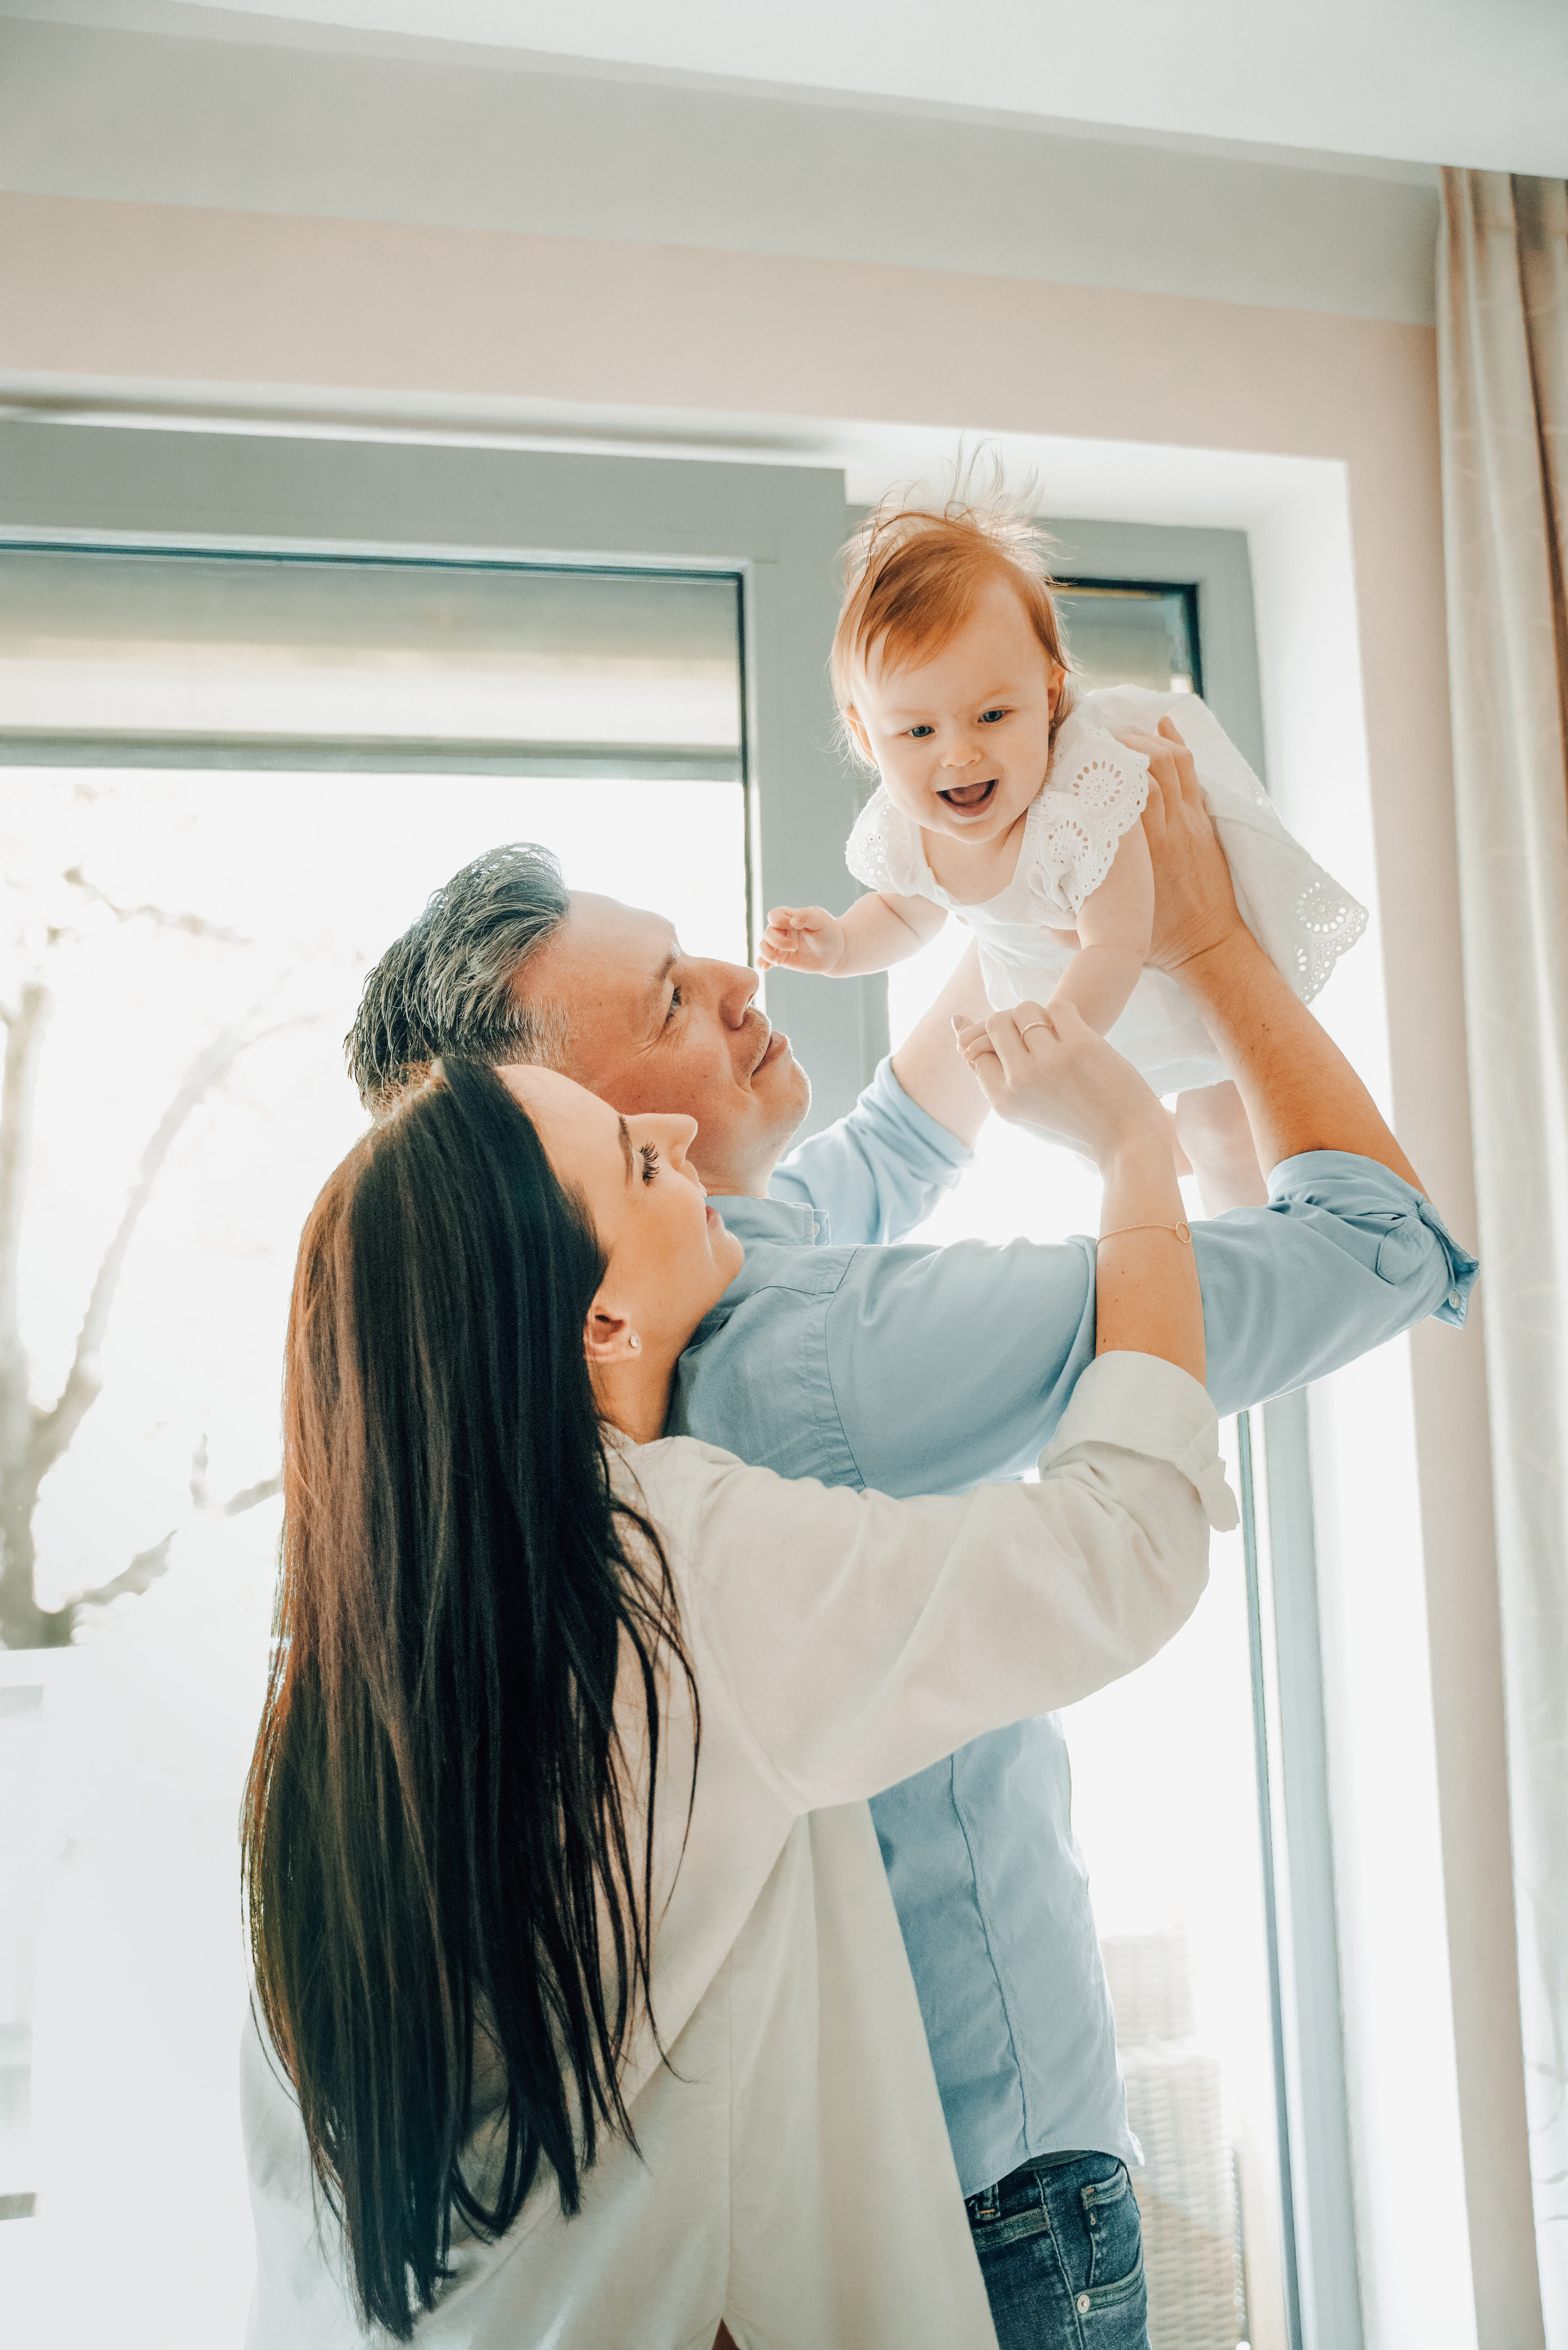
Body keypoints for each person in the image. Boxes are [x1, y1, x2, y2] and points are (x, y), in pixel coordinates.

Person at [343, 730, 1477, 2350]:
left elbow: (891, 1140)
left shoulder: (578, 1400)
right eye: (671, 999)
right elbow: (1378, 1251)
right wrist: (1204, 968)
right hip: (993, 2191)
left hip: (803, 2204)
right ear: (578, 1150)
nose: (736, 975)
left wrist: (1032, 884)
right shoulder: (825, 1355)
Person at [241, 1013, 1235, 2349]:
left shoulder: (331, 1700)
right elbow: (1121, 1546)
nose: (675, 1137)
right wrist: (1130, 1151)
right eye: (638, 1165)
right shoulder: (666, 1572)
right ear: (600, 1319)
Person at [757, 485, 1367, 1212]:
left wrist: (1064, 1032)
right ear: (865, 737)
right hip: (1055, 1003)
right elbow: (903, 913)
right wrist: (839, 947)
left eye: (992, 715)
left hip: (1147, 993)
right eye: (917, 732)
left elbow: (1115, 943)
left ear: (1049, 698)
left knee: (1222, 1129)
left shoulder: (1081, 803)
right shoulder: (908, 830)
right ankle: (1159, 1152)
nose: (958, 754)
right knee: (1081, 1137)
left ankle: (1243, 1242)